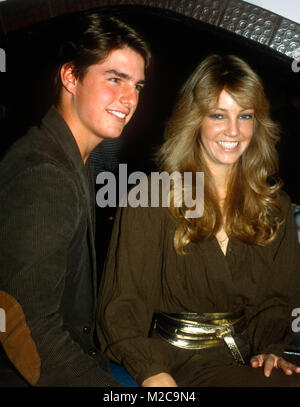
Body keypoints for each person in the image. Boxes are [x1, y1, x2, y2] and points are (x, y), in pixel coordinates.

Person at [97, 54, 300, 387]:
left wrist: (270, 348)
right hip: (173, 361)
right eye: (218, 115)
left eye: (245, 116)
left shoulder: (275, 205)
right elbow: (122, 306)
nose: (233, 131)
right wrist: (150, 372)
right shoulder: (150, 196)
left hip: (246, 358)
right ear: (195, 120)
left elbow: (279, 300)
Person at [0, 11, 150, 386]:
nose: (129, 98)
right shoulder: (45, 176)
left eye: (138, 86)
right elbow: (26, 329)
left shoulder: (72, 160)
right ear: (71, 77)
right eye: (115, 79)